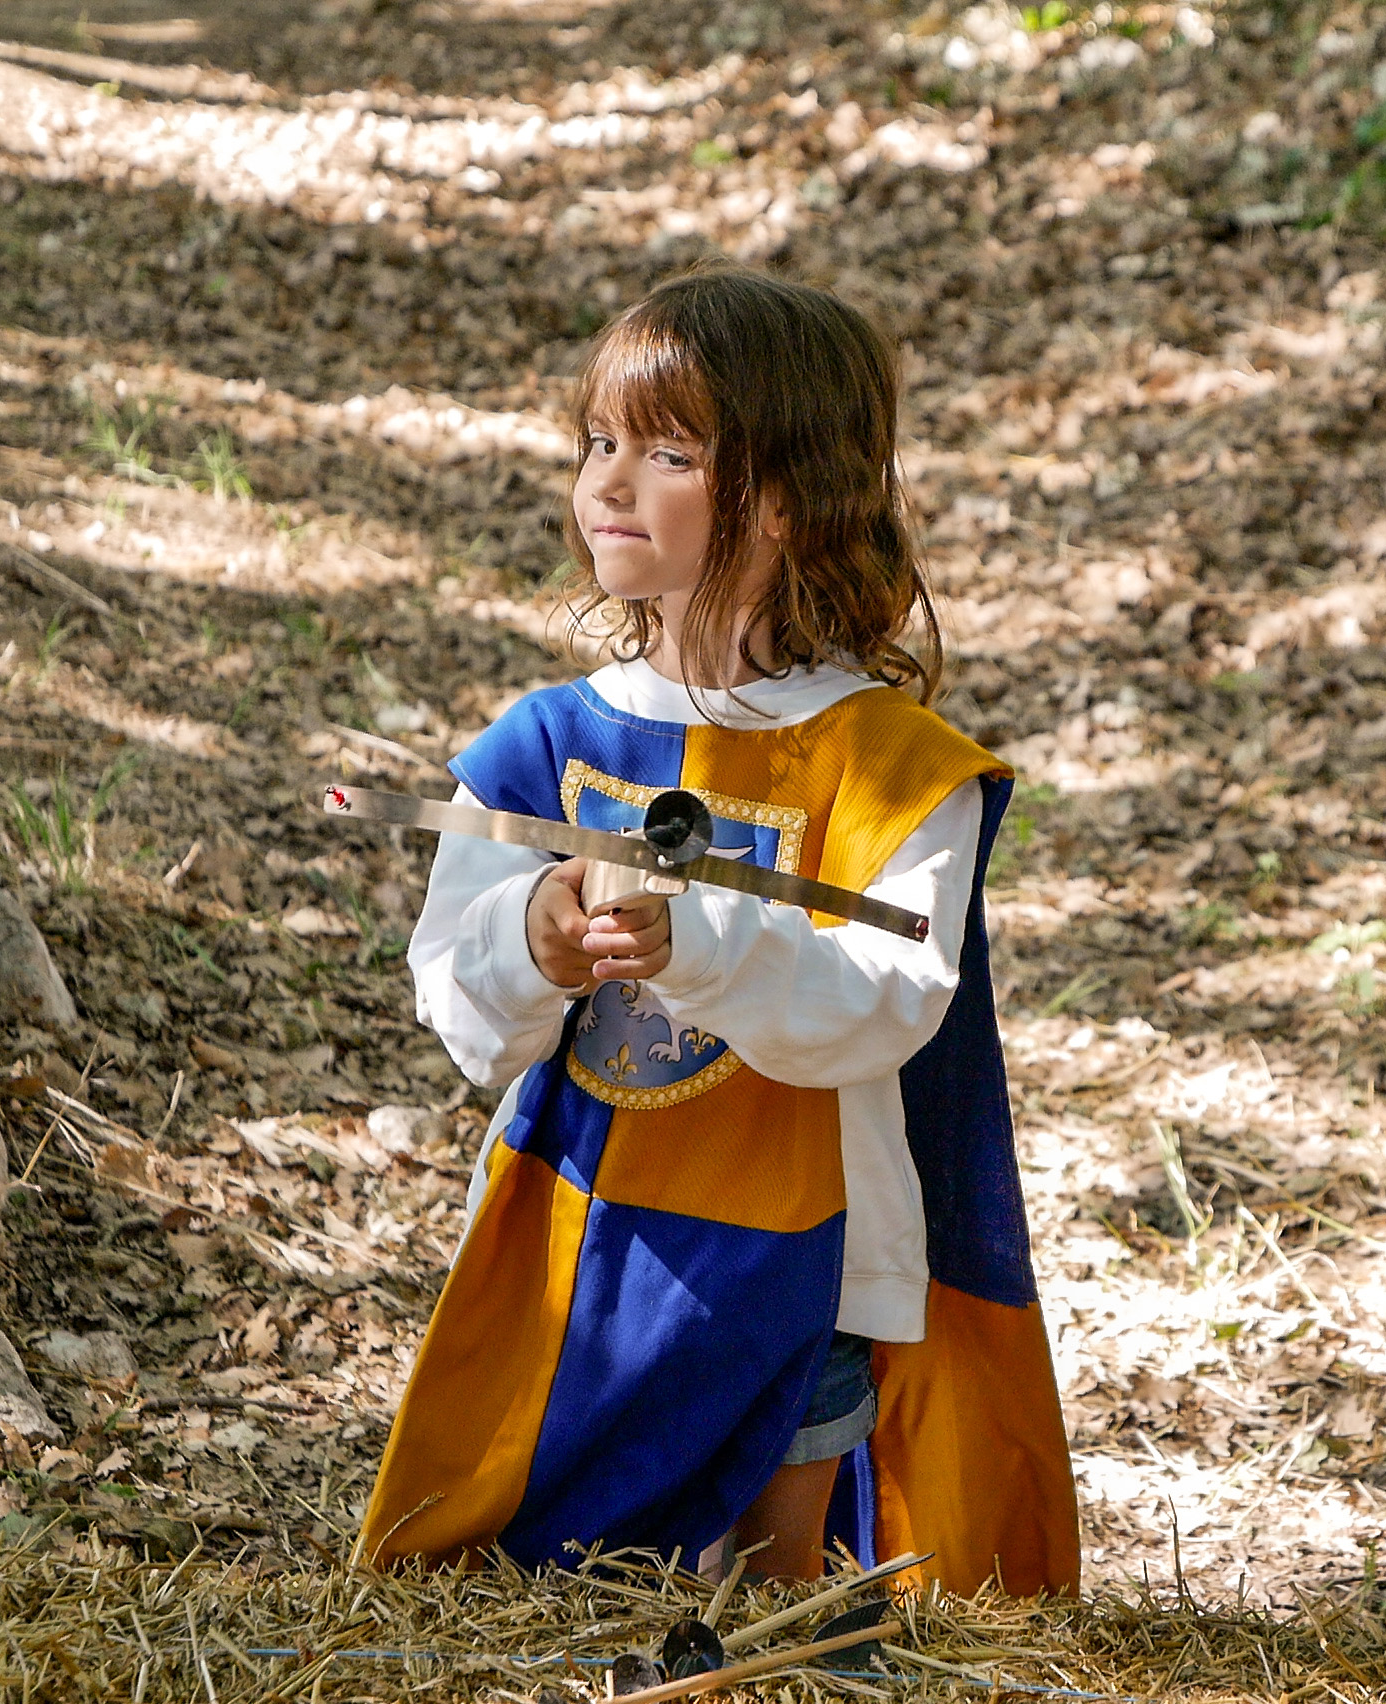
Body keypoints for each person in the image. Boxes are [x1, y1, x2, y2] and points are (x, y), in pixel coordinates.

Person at [356, 268, 1079, 1594]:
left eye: (671, 453)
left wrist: (697, 942)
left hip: (805, 1237)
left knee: (779, 1583)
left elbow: (890, 999)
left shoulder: (894, 766)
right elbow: (459, 1006)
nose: (610, 482)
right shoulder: (541, 744)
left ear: (790, 500)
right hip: (585, 1234)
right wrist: (533, 937)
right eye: (600, 441)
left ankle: (783, 1637)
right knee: (556, 1572)